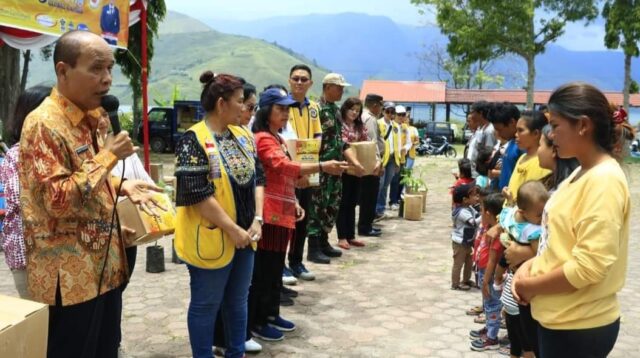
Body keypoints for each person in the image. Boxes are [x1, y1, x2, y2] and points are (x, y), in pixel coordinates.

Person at [19, 31, 162, 358]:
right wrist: (108, 156)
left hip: (104, 268)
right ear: (63, 71)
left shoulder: (92, 118)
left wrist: (121, 185)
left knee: (106, 349)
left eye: (110, 69)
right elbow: (56, 200)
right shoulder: (43, 124)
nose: (107, 79)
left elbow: (87, 181)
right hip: (69, 281)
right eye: (96, 69)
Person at [513, 83, 633, 358]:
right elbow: (562, 242)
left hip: (578, 326)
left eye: (555, 126)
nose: (551, 136)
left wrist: (530, 285)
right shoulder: (582, 171)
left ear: (583, 125)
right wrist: (530, 265)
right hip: (562, 320)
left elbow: (589, 266)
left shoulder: (603, 181)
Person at [174, 71, 266, 358]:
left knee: (238, 301)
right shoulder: (194, 139)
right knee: (206, 304)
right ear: (221, 104)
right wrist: (232, 229)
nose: (245, 107)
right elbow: (197, 194)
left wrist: (257, 219)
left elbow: (258, 178)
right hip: (214, 236)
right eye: (240, 102)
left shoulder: (242, 135)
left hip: (246, 235)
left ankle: (235, 353)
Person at [249, 87, 347, 341]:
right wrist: (323, 165)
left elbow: (283, 173)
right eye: (280, 109)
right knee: (265, 270)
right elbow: (281, 165)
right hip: (268, 215)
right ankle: (258, 321)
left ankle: (271, 314)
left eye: (287, 110)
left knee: (274, 271)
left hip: (282, 212)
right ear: (265, 110)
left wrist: (294, 197)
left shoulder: (278, 138)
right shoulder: (262, 138)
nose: (285, 114)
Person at [306, 73, 364, 264]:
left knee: (331, 206)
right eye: (339, 87)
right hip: (321, 168)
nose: (342, 91)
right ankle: (313, 248)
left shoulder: (334, 110)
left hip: (336, 169)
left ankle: (324, 242)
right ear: (327, 87)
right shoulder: (316, 109)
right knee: (317, 207)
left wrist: (355, 163)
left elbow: (341, 142)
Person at [0, 85, 51, 299]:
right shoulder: (16, 155)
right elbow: (26, 203)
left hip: (58, 256)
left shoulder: (53, 152)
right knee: (44, 325)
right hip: (29, 259)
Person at [284, 64, 323, 279]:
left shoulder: (314, 108)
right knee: (284, 218)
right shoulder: (282, 106)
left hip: (308, 168)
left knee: (303, 216)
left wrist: (309, 165)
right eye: (296, 78)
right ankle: (281, 265)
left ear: (310, 83)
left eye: (303, 79)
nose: (299, 82)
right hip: (288, 169)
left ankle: (297, 261)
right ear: (289, 80)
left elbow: (318, 135)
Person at [469, 192, 505, 351]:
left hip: (489, 275)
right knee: (488, 303)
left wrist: (485, 280)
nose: (480, 213)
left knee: (492, 305)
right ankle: (489, 328)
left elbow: (492, 260)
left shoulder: (495, 236)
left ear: (489, 214)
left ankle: (492, 337)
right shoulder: (488, 228)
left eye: (482, 210)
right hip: (483, 272)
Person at [336, 97, 368, 250]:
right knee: (343, 203)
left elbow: (366, 144)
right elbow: (343, 145)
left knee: (353, 202)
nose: (354, 113)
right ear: (345, 109)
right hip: (343, 168)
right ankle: (342, 236)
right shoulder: (339, 125)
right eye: (352, 109)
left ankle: (351, 235)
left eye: (357, 110)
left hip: (357, 169)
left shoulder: (360, 127)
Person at [504, 110, 551, 202]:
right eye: (516, 130)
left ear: (536, 134)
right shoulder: (522, 157)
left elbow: (534, 201)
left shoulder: (542, 162)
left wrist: (511, 202)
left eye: (521, 130)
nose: (516, 135)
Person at [357, 94, 384, 237]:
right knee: (369, 196)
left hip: (368, 161)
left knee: (369, 196)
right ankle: (365, 226)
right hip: (371, 162)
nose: (381, 109)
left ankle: (366, 224)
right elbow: (372, 143)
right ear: (375, 105)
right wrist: (378, 163)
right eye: (381, 106)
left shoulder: (364, 116)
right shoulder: (370, 119)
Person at [375, 102, 401, 220]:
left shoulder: (396, 126)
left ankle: (381, 209)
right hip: (382, 158)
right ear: (383, 111)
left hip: (392, 158)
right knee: (379, 185)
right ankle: (374, 209)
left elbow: (399, 143)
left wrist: (398, 161)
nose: (390, 114)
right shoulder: (378, 123)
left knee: (386, 185)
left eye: (392, 112)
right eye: (388, 111)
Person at [487, 102, 523, 189]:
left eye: (500, 129)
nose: (498, 134)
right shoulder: (511, 142)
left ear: (512, 122)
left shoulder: (522, 146)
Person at [450, 184, 479, 291]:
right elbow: (474, 222)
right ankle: (455, 283)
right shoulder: (462, 212)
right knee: (458, 263)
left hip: (467, 241)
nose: (476, 198)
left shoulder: (469, 208)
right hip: (460, 242)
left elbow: (476, 214)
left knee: (469, 262)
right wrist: (484, 215)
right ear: (465, 200)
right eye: (473, 196)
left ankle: (466, 280)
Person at [388, 105, 412, 209]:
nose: (402, 117)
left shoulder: (405, 127)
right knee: (394, 180)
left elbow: (409, 142)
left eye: (403, 115)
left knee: (402, 179)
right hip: (393, 157)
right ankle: (392, 201)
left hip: (403, 157)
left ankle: (397, 199)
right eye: (399, 115)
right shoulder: (391, 125)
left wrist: (405, 148)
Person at [467, 101, 497, 176]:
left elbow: (488, 152)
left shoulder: (489, 131)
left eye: (473, 112)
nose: (471, 115)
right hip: (474, 170)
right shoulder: (481, 129)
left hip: (481, 174)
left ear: (480, 113)